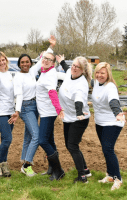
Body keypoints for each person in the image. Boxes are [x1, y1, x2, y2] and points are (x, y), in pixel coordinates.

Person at [13, 37, 56, 177]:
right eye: (22, 62)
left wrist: (51, 46)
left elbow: (43, 59)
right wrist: (17, 111)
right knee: (37, 137)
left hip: (35, 106)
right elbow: (19, 95)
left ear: (30, 62)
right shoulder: (18, 77)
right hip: (26, 108)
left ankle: (24, 161)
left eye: (27, 62)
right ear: (19, 64)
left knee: (28, 137)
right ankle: (27, 166)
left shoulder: (32, 72)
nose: (25, 64)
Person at [56, 55, 92, 183]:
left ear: (83, 70)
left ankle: (82, 177)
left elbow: (78, 100)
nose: (74, 68)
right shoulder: (69, 73)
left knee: (72, 145)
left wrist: (78, 112)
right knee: (70, 145)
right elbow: (67, 69)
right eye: (74, 65)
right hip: (69, 117)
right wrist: (61, 61)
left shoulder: (81, 84)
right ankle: (86, 170)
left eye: (78, 67)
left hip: (79, 118)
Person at [92, 62, 125, 190]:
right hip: (100, 122)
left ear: (108, 74)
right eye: (98, 72)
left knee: (108, 149)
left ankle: (118, 179)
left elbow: (113, 101)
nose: (99, 75)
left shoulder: (110, 87)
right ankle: (110, 175)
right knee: (106, 149)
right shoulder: (95, 82)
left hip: (113, 122)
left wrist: (118, 113)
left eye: (102, 73)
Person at [36, 37, 65, 181]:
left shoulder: (50, 75)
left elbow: (52, 92)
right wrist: (51, 47)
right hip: (45, 111)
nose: (46, 60)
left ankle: (58, 170)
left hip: (48, 113)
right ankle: (53, 168)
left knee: (42, 140)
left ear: (53, 63)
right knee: (50, 140)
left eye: (49, 59)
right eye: (44, 58)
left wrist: (59, 109)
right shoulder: (44, 71)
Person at [0, 51, 18, 178]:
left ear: (6, 61)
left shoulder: (9, 74)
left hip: (10, 110)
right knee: (7, 138)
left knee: (4, 139)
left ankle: (4, 164)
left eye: (3, 60)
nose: (1, 63)